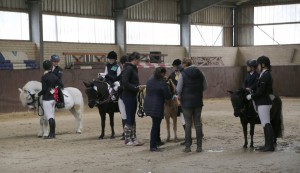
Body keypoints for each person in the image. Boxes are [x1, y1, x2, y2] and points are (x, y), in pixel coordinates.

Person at [176, 58, 207, 152]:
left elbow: (178, 89)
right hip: (198, 102)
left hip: (186, 102)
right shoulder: (201, 73)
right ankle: (199, 147)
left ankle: (188, 147)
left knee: (188, 124)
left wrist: (180, 95)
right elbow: (205, 86)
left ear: (184, 64)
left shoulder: (183, 74)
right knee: (198, 124)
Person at [246, 56, 274, 152]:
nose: (257, 67)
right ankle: (267, 145)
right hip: (263, 102)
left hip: (264, 102)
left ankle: (269, 146)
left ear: (262, 65)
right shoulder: (263, 74)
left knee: (266, 123)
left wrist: (252, 96)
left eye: (258, 65)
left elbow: (261, 91)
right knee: (265, 123)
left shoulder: (266, 75)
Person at [144, 67, 173, 152]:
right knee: (155, 126)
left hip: (148, 104)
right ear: (163, 73)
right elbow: (167, 96)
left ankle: (157, 141)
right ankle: (153, 146)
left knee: (155, 123)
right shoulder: (162, 82)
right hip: (157, 105)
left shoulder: (150, 79)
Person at [122, 52, 145, 146]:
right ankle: (128, 139)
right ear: (135, 59)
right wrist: (136, 88)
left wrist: (138, 86)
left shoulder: (133, 68)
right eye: (139, 59)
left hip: (131, 94)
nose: (139, 61)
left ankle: (133, 138)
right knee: (130, 117)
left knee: (132, 117)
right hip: (128, 95)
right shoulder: (128, 69)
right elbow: (125, 82)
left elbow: (131, 82)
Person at [38, 60, 63, 139]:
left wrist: (37, 94)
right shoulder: (55, 76)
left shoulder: (44, 77)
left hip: (47, 99)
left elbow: (44, 89)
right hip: (54, 99)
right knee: (52, 116)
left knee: (49, 117)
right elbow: (61, 85)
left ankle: (51, 135)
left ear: (44, 68)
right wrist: (54, 89)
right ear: (51, 67)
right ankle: (53, 134)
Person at [168, 59, 186, 145]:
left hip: (181, 98)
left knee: (184, 117)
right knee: (182, 116)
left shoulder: (183, 73)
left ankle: (187, 136)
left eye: (174, 66)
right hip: (177, 98)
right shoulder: (172, 75)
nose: (174, 68)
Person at [117, 55, 128, 140]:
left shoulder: (126, 71)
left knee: (126, 115)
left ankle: (128, 133)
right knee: (124, 115)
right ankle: (125, 132)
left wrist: (119, 88)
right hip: (122, 95)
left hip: (125, 95)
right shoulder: (123, 71)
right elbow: (116, 78)